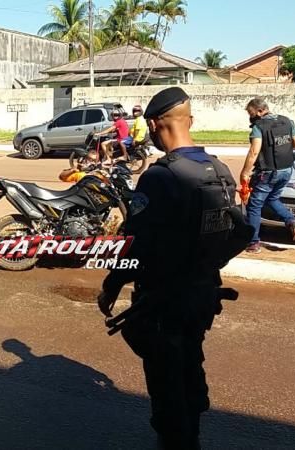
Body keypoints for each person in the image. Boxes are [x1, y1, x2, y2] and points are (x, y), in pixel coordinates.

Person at [96, 87, 253, 450]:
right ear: (190, 121)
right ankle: (191, 433)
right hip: (203, 294)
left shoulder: (161, 176)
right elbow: (237, 232)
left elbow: (135, 244)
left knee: (166, 382)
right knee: (189, 362)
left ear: (153, 125)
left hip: (164, 300)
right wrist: (206, 267)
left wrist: (111, 285)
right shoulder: (219, 170)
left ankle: (177, 440)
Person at [240, 98, 295, 253]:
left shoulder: (259, 126)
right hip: (286, 169)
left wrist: (245, 173)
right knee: (272, 198)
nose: (251, 117)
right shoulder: (287, 121)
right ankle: (292, 222)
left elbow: (254, 151)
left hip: (268, 172)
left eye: (251, 113)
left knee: (254, 205)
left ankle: (253, 243)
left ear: (260, 111)